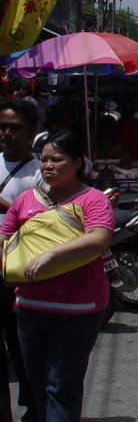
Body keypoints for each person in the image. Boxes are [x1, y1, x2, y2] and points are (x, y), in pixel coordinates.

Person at [0, 130, 114, 422]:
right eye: (44, 159)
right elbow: (5, 239)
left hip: (77, 311)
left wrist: (51, 254)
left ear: (77, 162)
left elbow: (98, 238)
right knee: (37, 384)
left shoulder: (93, 199)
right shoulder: (24, 200)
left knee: (61, 386)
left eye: (57, 160)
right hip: (29, 307)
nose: (47, 166)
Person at [0, 100, 41, 422]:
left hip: (22, 273)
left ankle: (34, 406)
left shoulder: (41, 172)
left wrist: (5, 207)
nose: (7, 133)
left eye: (15, 127)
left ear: (31, 133)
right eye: (3, 126)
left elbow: (49, 222)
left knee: (24, 347)